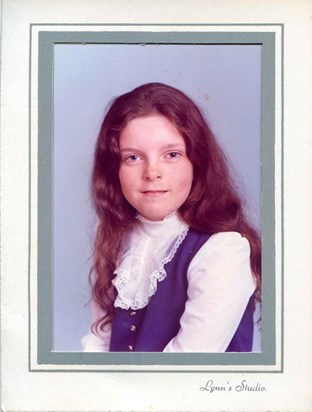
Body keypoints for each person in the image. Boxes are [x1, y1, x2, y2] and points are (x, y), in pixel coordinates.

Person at [81, 82, 261, 352]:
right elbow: (99, 341)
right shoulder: (116, 237)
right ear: (113, 170)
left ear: (196, 163)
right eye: (133, 158)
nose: (152, 172)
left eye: (172, 155)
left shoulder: (223, 250)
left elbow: (181, 370)